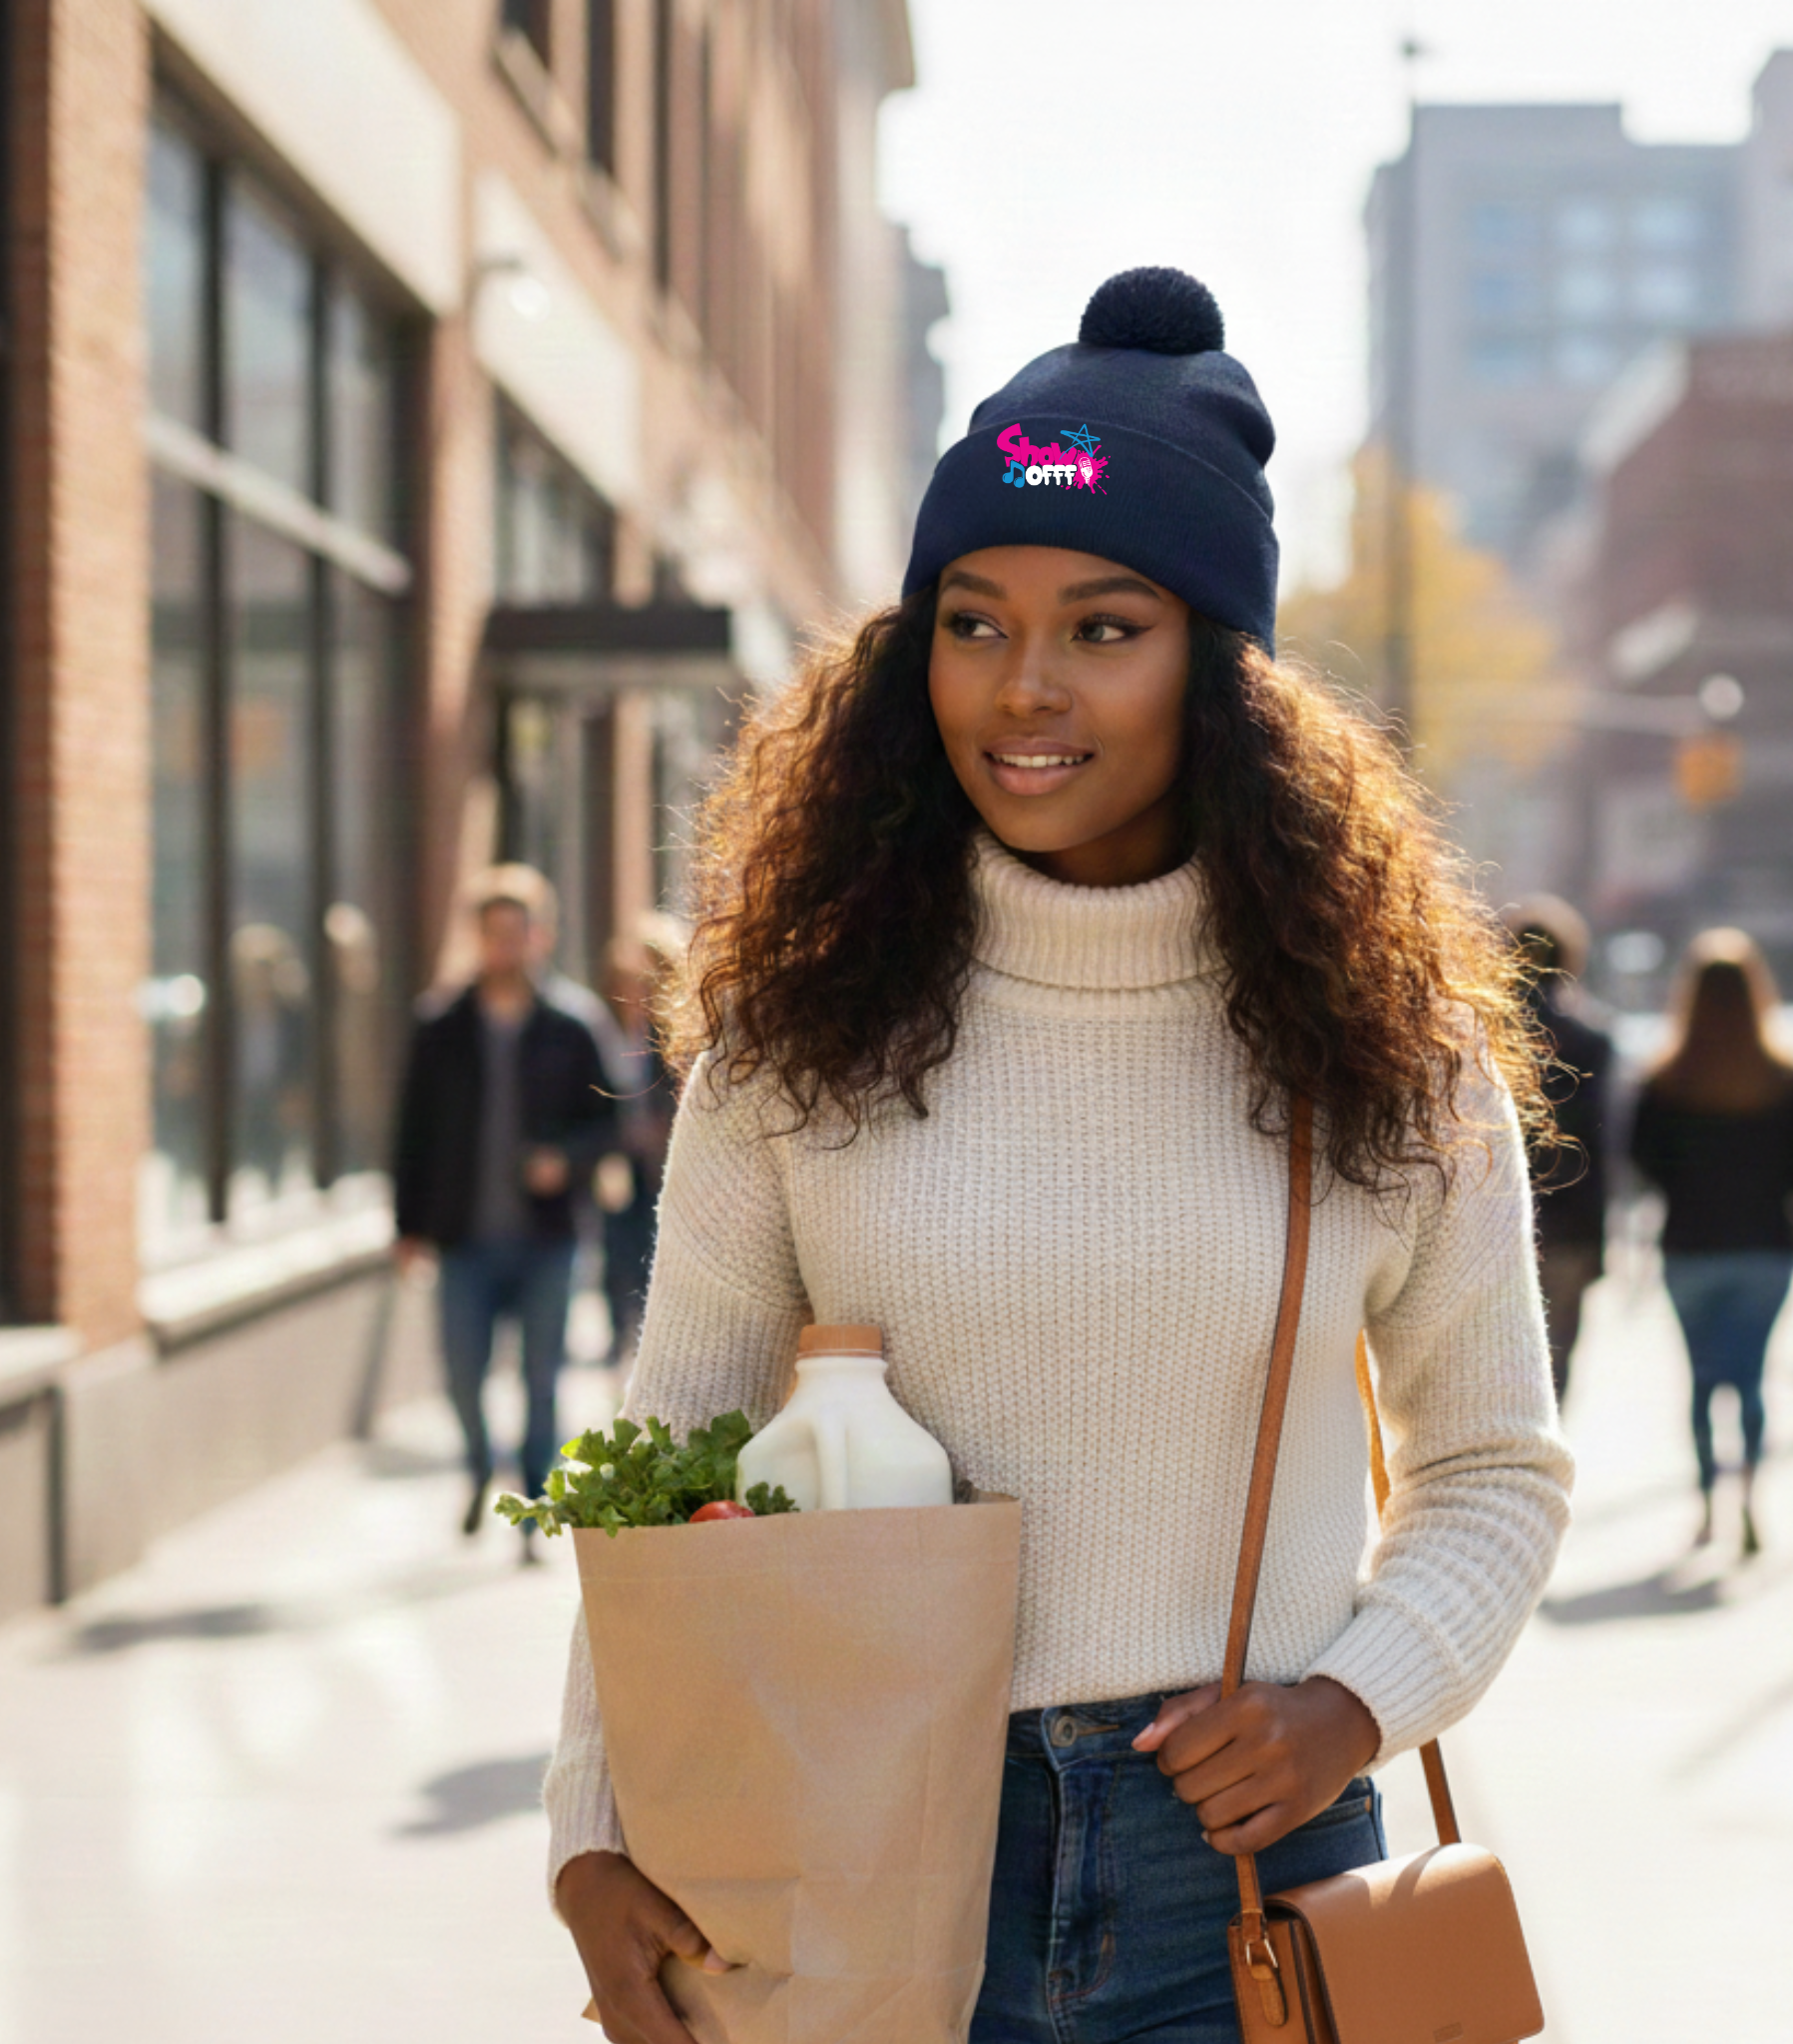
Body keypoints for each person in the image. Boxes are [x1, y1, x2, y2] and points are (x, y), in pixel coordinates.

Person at [544, 267, 1573, 2044]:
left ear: (1218, 666)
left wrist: (1350, 1704)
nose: (1023, 686)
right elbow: (672, 1473)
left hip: (1243, 1881)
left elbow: (1491, 1464)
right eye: (973, 620)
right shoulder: (801, 1038)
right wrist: (591, 1828)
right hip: (840, 1838)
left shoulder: (1382, 1046)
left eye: (1104, 627)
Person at [393, 865, 619, 1543]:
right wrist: (408, 1228)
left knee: (541, 1379)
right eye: (493, 934)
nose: (505, 946)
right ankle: (477, 1469)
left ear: (540, 936)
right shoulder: (441, 1026)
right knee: (464, 1376)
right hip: (463, 1237)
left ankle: (536, 1503)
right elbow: (411, 1133)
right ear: (478, 939)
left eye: (517, 933)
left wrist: (566, 1161)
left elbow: (613, 1122)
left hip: (549, 1238)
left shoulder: (573, 1025)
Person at [1629, 930, 1793, 1557]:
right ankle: (1749, 1499)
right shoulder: (1784, 1077)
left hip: (1691, 1244)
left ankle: (1706, 1503)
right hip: (1765, 1245)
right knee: (1750, 1378)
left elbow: (1643, 1158)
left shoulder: (1667, 1078)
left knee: (1701, 1378)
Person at [1510, 895, 1614, 1405]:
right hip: (1568, 1219)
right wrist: (1600, 1241)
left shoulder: (1477, 1030)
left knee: (1497, 1361)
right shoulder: (1590, 1040)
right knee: (1556, 1359)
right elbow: (1599, 1146)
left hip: (1495, 1218)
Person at [596, 913, 688, 1363]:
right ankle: (624, 1343)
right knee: (619, 1257)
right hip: (621, 1166)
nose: (633, 991)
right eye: (625, 980)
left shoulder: (678, 1034)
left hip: (669, 1168)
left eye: (643, 979)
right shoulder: (608, 1028)